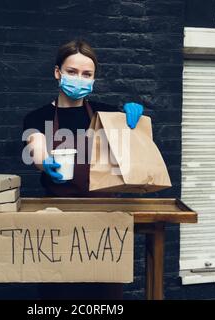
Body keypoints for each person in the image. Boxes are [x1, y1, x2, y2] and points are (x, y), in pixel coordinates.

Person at [22, 39, 144, 299]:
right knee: (59, 295)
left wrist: (134, 122)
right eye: (72, 72)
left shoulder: (108, 115)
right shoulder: (37, 117)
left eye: (87, 74)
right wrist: (47, 163)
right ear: (58, 73)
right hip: (57, 219)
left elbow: (132, 150)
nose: (79, 79)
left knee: (105, 296)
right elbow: (36, 149)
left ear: (94, 78)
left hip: (105, 217)